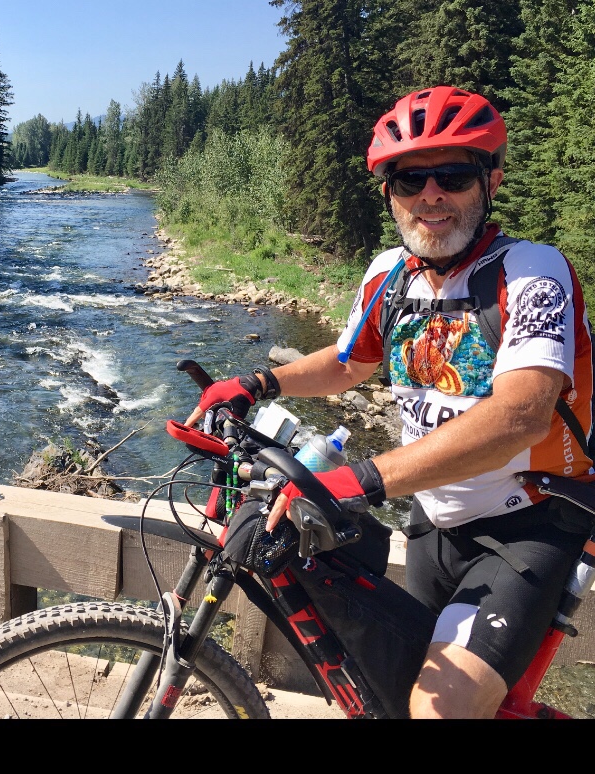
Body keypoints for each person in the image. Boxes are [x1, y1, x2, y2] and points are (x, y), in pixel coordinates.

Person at [185, 85, 594, 720]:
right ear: (389, 192)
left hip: (529, 523)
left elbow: (522, 414)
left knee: (439, 710)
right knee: (390, 693)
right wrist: (259, 383)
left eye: (453, 176)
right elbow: (350, 362)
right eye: (410, 179)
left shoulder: (532, 271)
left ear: (491, 182)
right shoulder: (389, 275)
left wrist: (362, 479)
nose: (431, 195)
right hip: (432, 521)